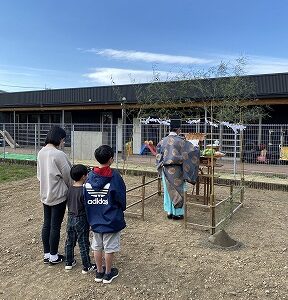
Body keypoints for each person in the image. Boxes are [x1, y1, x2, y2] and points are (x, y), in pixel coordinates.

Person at [84, 145, 126, 284]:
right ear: (111, 159)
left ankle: (99, 271)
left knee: (97, 245)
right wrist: (121, 208)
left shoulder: (90, 176)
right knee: (109, 247)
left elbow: (85, 196)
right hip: (111, 218)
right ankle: (108, 273)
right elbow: (120, 195)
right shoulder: (114, 176)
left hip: (95, 217)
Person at [37, 125, 72, 265]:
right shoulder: (59, 155)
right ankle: (54, 256)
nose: (63, 143)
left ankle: (47, 254)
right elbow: (68, 176)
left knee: (47, 224)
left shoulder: (41, 152)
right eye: (63, 140)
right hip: (58, 195)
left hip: (45, 193)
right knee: (55, 226)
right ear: (59, 138)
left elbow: (39, 176)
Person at [156, 115, 200, 220]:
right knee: (179, 190)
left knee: (168, 191)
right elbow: (192, 151)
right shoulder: (181, 141)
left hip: (165, 170)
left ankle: (169, 212)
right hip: (177, 169)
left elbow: (158, 155)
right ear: (178, 129)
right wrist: (197, 148)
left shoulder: (163, 140)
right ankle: (178, 213)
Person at [64, 164, 97, 274]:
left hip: (70, 218)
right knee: (83, 243)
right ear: (84, 177)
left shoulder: (69, 189)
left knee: (70, 241)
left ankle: (68, 262)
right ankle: (86, 266)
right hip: (81, 219)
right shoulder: (84, 191)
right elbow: (88, 207)